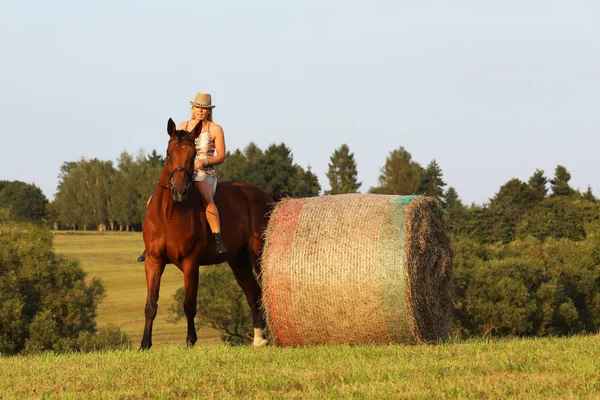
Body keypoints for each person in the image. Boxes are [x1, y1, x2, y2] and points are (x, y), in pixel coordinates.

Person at [137, 92, 227, 262]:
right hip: (183, 172)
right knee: (152, 200)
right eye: (198, 107)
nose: (201, 111)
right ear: (192, 108)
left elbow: (221, 156)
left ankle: (218, 239)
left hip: (204, 173)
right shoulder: (182, 125)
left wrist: (206, 160)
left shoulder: (215, 129)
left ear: (209, 111)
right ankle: (149, 243)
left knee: (206, 197)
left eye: (204, 108)